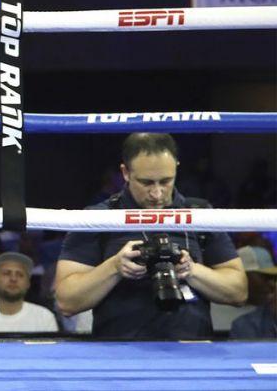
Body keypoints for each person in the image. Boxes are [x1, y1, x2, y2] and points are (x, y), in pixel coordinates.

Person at [55, 133, 247, 338]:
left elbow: (238, 292)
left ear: (176, 169)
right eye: (146, 182)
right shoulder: (99, 218)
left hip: (191, 347)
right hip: (119, 349)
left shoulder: (199, 214)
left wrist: (192, 270)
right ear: (126, 173)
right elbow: (66, 302)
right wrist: (114, 267)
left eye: (166, 181)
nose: (157, 193)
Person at [0, 252, 58, 334]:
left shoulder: (45, 317)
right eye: (7, 273)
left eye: (20, 275)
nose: (13, 279)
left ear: (28, 284)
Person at [229, 246, 277, 339]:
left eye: (274, 278)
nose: (272, 284)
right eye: (265, 277)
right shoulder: (242, 325)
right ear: (243, 277)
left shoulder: (270, 311)